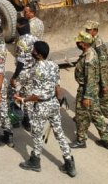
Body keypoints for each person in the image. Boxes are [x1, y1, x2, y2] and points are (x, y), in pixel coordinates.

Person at [15, 41, 75, 176]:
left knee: (36, 135)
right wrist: (58, 101)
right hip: (53, 103)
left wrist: (23, 99)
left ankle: (35, 161)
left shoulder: (36, 70)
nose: (32, 51)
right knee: (59, 133)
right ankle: (69, 163)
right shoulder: (53, 65)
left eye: (34, 50)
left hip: (41, 106)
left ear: (38, 54)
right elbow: (58, 87)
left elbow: (36, 95)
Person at [71, 31, 108, 149]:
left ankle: (81, 140)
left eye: (78, 42)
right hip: (93, 90)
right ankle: (105, 139)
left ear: (83, 44)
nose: (77, 43)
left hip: (87, 90)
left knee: (81, 116)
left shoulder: (88, 58)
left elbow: (90, 79)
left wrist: (86, 97)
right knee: (96, 114)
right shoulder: (91, 52)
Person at [85, 20, 108, 133]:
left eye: (89, 30)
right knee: (92, 97)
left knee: (104, 100)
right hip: (93, 77)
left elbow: (104, 65)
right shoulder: (90, 40)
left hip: (100, 77)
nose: (87, 31)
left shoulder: (98, 43)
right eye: (87, 29)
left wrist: (104, 84)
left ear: (95, 30)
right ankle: (91, 116)